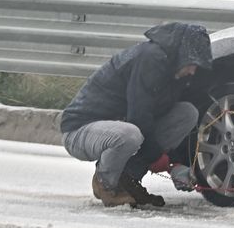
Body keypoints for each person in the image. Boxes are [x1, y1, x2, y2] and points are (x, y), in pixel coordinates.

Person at [60, 22, 212, 207]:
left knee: (187, 113)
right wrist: (165, 164)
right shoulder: (150, 59)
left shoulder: (175, 72)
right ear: (181, 55)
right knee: (130, 134)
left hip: (119, 126)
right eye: (192, 63)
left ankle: (127, 179)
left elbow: (156, 121)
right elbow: (139, 116)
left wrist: (177, 163)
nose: (192, 71)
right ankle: (105, 183)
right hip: (80, 130)